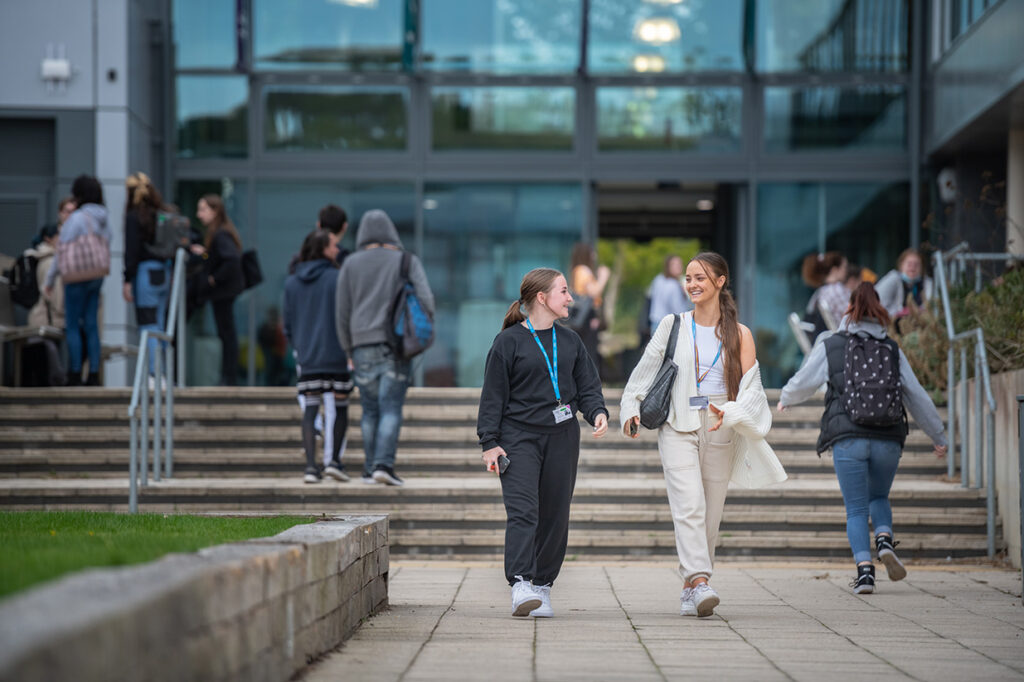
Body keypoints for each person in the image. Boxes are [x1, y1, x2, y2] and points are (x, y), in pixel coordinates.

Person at [621, 251, 781, 618]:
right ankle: (700, 579)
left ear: (720, 281)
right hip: (677, 423)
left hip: (720, 425)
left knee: (710, 513)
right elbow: (644, 370)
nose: (692, 284)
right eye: (688, 278)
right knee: (689, 504)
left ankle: (690, 587)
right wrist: (630, 408)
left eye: (700, 278)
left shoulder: (740, 334)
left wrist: (733, 412)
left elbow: (752, 389)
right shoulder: (672, 324)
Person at [778, 282, 948, 594]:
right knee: (879, 497)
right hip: (888, 439)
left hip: (849, 436)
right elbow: (916, 395)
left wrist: (786, 398)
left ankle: (865, 574)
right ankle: (884, 538)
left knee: (856, 509)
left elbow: (806, 379)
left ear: (849, 309)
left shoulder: (832, 342)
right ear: (879, 309)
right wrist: (938, 434)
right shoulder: (891, 348)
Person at [477, 268, 609, 618]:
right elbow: (492, 396)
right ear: (541, 298)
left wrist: (597, 412)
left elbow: (587, 386)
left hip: (562, 437)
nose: (570, 298)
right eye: (564, 291)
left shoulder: (571, 341)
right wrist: (489, 442)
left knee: (555, 514)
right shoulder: (508, 342)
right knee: (524, 511)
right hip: (518, 437)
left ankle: (542, 586)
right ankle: (520, 582)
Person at [335, 209, 434, 487]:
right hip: (396, 344)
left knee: (369, 410)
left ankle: (369, 470)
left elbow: (341, 311)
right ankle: (383, 465)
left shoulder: (351, 264)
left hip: (360, 346)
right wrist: (422, 332)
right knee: (390, 406)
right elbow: (427, 299)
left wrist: (348, 350)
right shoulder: (405, 260)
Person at [284, 230, 352, 484]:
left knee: (311, 409)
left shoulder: (292, 282)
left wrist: (300, 346)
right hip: (337, 354)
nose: (338, 249)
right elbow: (347, 315)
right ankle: (334, 461)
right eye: (334, 245)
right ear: (323, 249)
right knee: (341, 405)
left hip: (308, 355)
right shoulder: (338, 278)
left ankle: (311, 467)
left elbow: (287, 323)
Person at [44, 175, 111, 386]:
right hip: (97, 274)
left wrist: (49, 279)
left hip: (76, 274)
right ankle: (93, 373)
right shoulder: (104, 217)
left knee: (72, 324)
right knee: (91, 324)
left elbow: (61, 250)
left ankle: (74, 373)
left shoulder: (78, 218)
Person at [191, 194, 244, 386]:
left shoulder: (220, 234)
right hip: (225, 291)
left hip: (223, 291)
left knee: (227, 334)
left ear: (215, 211)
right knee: (226, 333)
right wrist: (205, 253)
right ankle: (228, 376)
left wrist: (214, 278)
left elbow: (231, 259)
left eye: (203, 209)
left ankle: (228, 377)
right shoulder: (221, 232)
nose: (199, 214)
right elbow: (223, 256)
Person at [122, 172, 171, 377]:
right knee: (159, 325)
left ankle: (153, 374)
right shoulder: (162, 214)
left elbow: (132, 250)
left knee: (148, 325)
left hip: (145, 274)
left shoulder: (134, 217)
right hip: (164, 272)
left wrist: (127, 278)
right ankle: (163, 372)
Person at [24, 224, 65, 386]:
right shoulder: (49, 261)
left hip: (42, 317)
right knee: (48, 368)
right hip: (45, 318)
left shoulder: (44, 258)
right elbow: (54, 295)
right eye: (59, 235)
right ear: (49, 238)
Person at [569, 242, 610, 373]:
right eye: (591, 252)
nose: (594, 256)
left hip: (586, 317)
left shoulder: (577, 270)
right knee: (589, 353)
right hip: (587, 317)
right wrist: (603, 277)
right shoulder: (583, 270)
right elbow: (593, 292)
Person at [801, 251, 849, 339]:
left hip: (823, 342)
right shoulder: (837, 289)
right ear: (835, 269)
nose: (846, 271)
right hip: (840, 341)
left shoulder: (819, 292)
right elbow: (851, 317)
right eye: (844, 267)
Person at [875, 248, 934, 319]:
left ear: (922, 268)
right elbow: (876, 303)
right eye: (909, 264)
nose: (912, 267)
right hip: (890, 325)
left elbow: (931, 307)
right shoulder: (893, 278)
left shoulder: (927, 283)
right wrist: (900, 313)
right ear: (901, 265)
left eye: (916, 264)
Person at [648, 254, 693, 332]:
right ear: (668, 266)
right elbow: (678, 309)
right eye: (675, 265)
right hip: (668, 326)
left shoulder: (658, 279)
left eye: (680, 264)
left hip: (655, 322)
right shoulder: (673, 285)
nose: (679, 267)